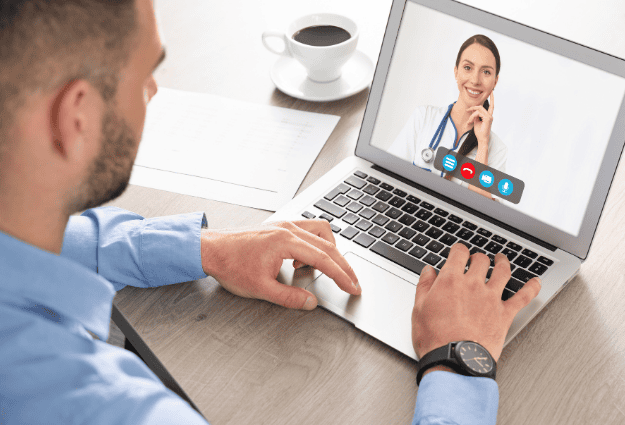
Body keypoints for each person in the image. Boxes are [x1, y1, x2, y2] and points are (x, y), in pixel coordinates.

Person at [0, 2, 540, 424]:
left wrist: (204, 248)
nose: (153, 91)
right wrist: (456, 362)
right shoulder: (111, 409)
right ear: (77, 116)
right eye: (144, 75)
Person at [388, 34, 508, 201]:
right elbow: (388, 175)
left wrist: (482, 144)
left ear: (495, 82)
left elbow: (483, 213)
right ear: (456, 72)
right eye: (468, 68)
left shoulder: (497, 150)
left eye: (486, 72)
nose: (475, 80)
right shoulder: (424, 117)